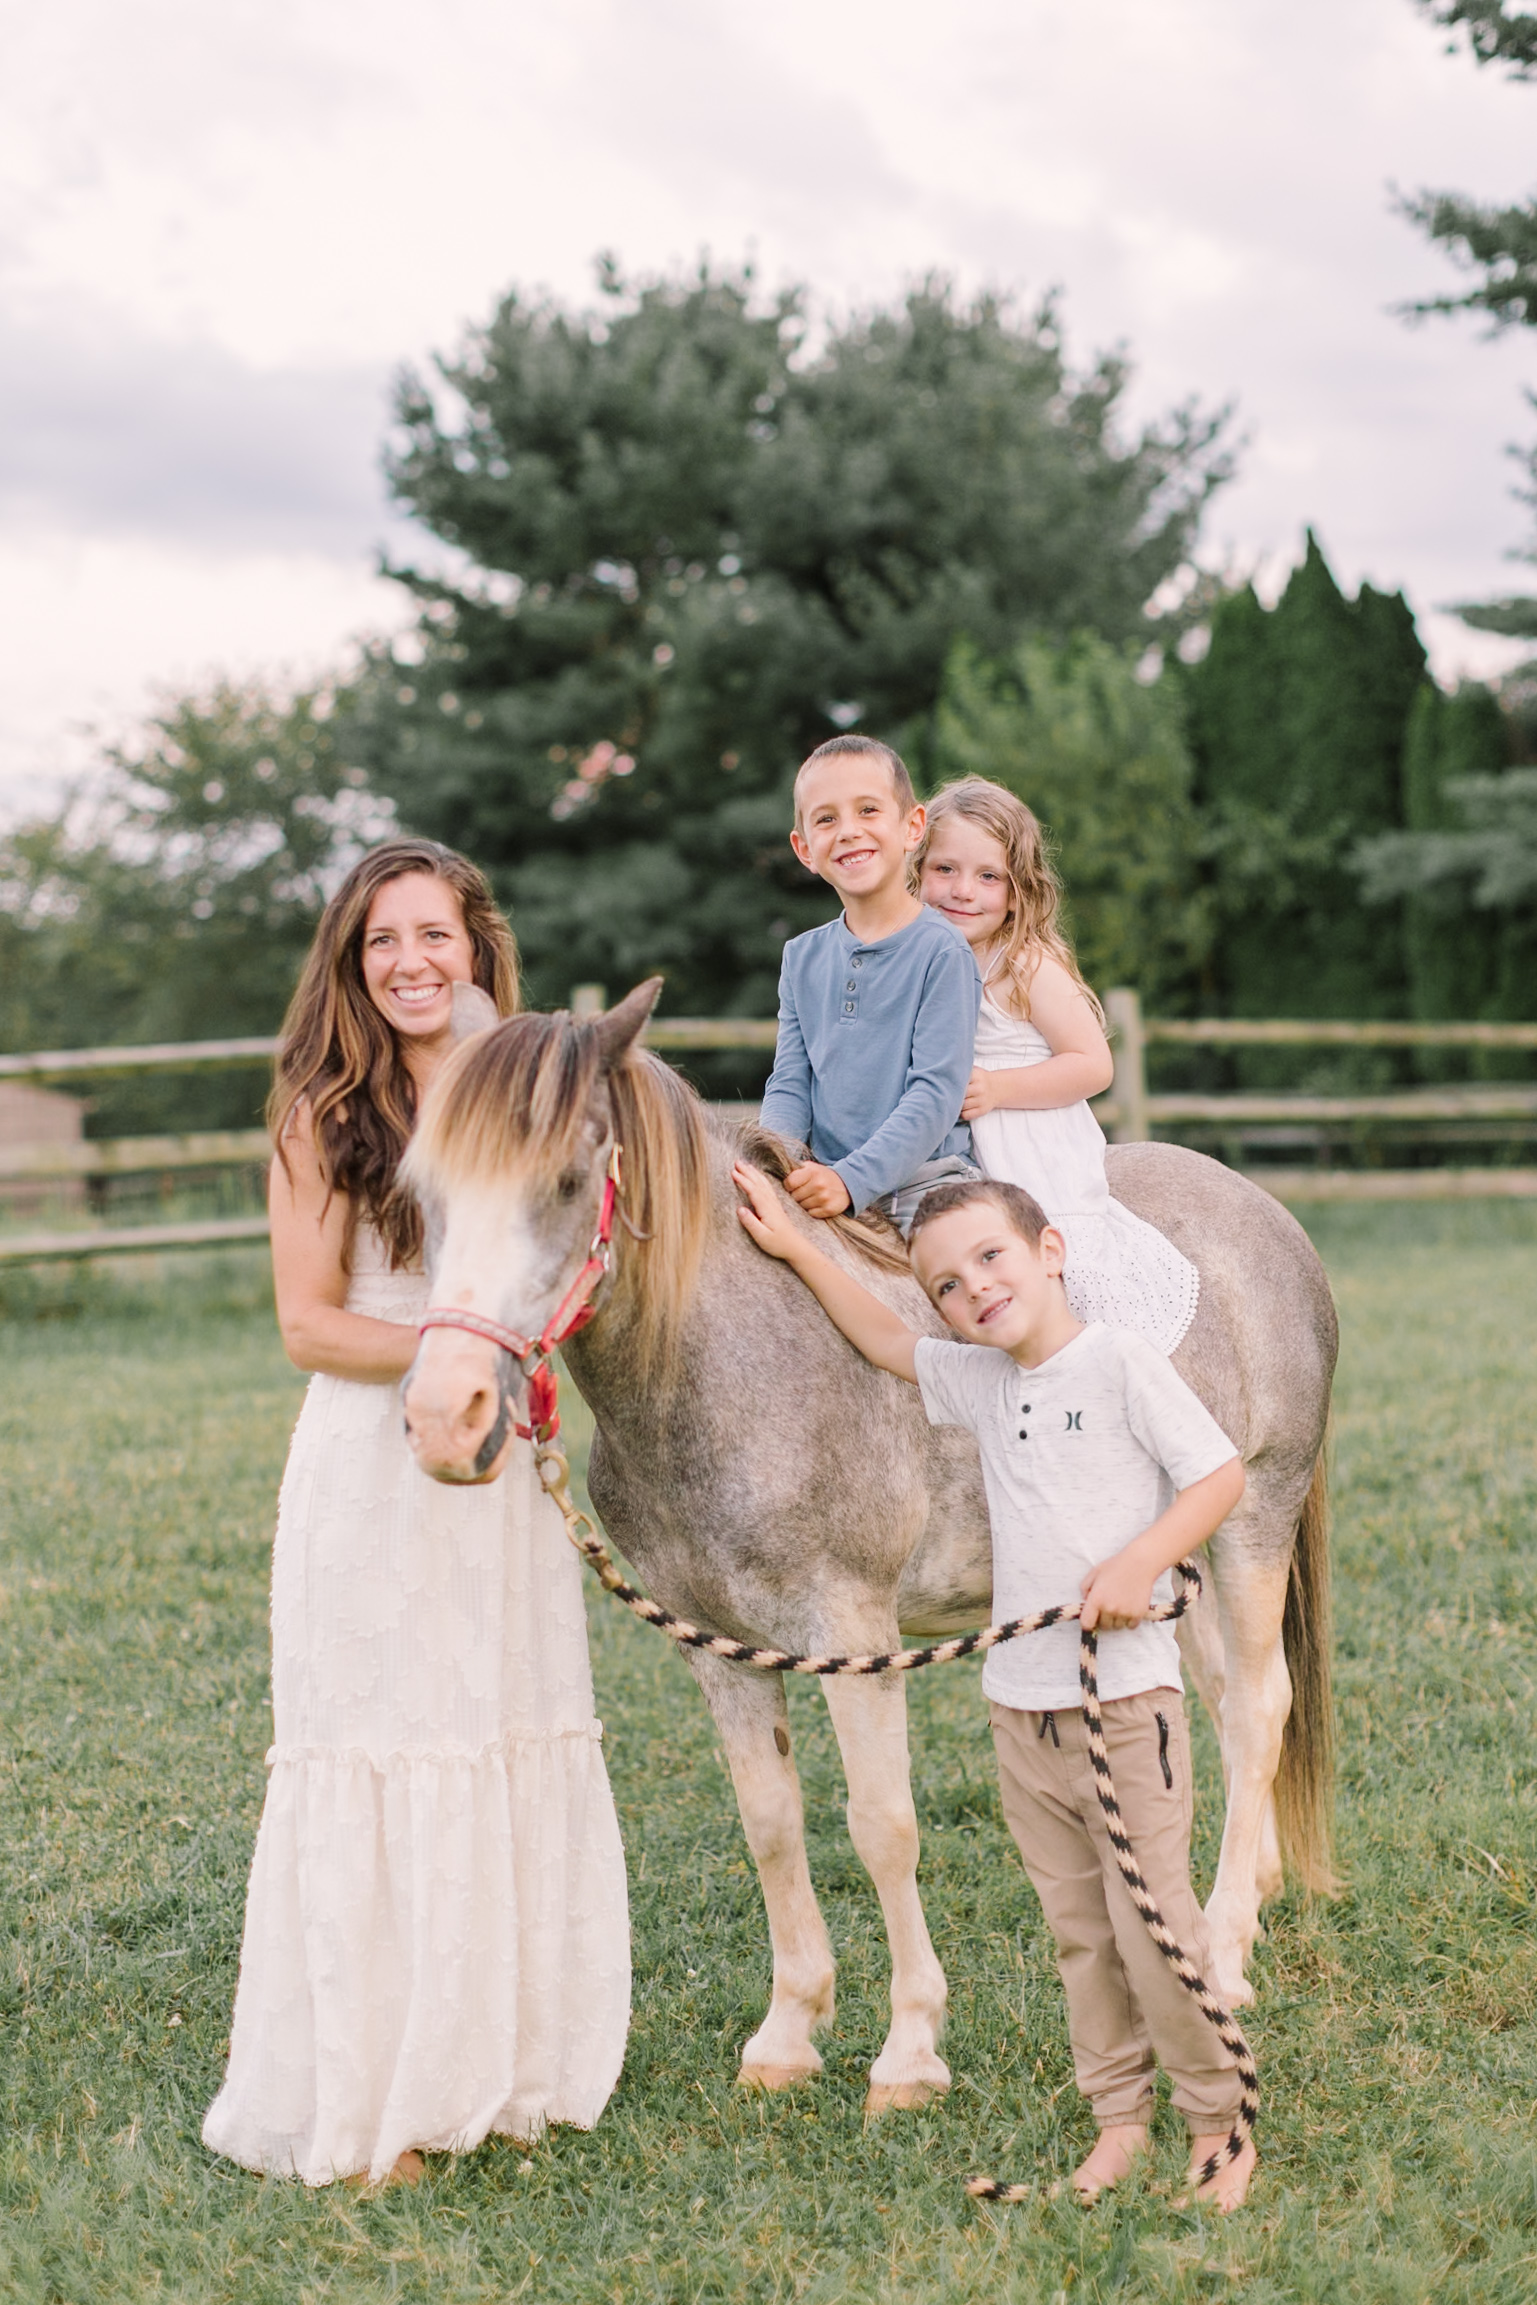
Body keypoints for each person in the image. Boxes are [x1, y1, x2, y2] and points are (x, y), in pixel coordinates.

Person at [202, 839, 630, 2189]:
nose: (410, 963)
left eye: (433, 935)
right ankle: (378, 2087)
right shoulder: (322, 1112)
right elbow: (306, 1322)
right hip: (376, 1452)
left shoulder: (529, 1088)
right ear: (350, 961)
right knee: (389, 1738)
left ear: (477, 944)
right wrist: (460, 1345)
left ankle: (502, 2065)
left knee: (496, 1726)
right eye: (381, 941)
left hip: (491, 1455)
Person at [730, 1161, 1255, 2212]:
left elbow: (1217, 1474)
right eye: (946, 1285)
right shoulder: (980, 1380)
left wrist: (1141, 1561)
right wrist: (795, 1249)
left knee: (1153, 1924)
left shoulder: (1118, 1365)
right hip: (1021, 1709)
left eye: (989, 1258)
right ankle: (1116, 2118)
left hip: (1124, 1705)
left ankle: (1215, 2122)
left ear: (1049, 1251)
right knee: (1077, 1932)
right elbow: (883, 1342)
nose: (971, 1289)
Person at [915, 777, 1200, 1355]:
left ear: (1018, 892)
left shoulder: (1024, 964)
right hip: (954, 1147)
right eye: (944, 869)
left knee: (1057, 1287)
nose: (962, 890)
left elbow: (1093, 1065)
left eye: (988, 876)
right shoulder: (917, 958)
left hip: (1030, 1144)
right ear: (916, 871)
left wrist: (997, 1088)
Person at [758, 735, 982, 1235]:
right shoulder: (801, 957)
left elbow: (935, 1094)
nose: (848, 832)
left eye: (868, 810)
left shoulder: (941, 951)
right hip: (822, 1177)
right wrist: (773, 1165)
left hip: (926, 1188)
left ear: (912, 827)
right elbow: (792, 1084)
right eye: (826, 819)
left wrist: (850, 1180)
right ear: (804, 850)